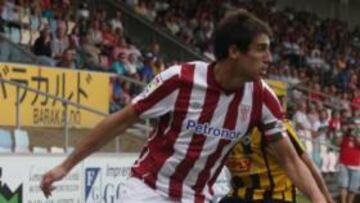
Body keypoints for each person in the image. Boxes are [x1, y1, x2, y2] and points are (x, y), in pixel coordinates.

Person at [40, 10, 327, 203]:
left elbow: (290, 160)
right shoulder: (179, 80)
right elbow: (121, 121)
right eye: (261, 49)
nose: (269, 58)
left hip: (198, 197)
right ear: (235, 51)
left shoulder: (262, 97)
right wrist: (66, 166)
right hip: (148, 191)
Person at [219, 120, 334, 203]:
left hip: (275, 197)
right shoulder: (219, 126)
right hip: (239, 195)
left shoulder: (274, 126)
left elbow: (306, 164)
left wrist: (324, 197)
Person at [337, 119, 360, 203]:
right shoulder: (343, 134)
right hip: (344, 163)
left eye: (352, 125)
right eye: (348, 125)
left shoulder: (358, 133)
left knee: (353, 188)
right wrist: (344, 134)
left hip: (357, 164)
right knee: (343, 185)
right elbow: (337, 143)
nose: (350, 127)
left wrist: (355, 136)